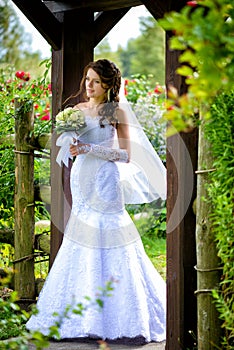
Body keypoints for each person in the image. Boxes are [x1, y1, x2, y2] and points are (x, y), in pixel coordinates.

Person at [26, 59, 167, 344]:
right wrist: (67, 137)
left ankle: (121, 315)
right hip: (81, 178)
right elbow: (69, 145)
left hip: (106, 180)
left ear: (108, 86)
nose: (88, 86)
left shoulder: (116, 112)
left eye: (95, 82)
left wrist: (89, 147)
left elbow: (126, 155)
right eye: (87, 79)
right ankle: (79, 316)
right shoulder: (76, 111)